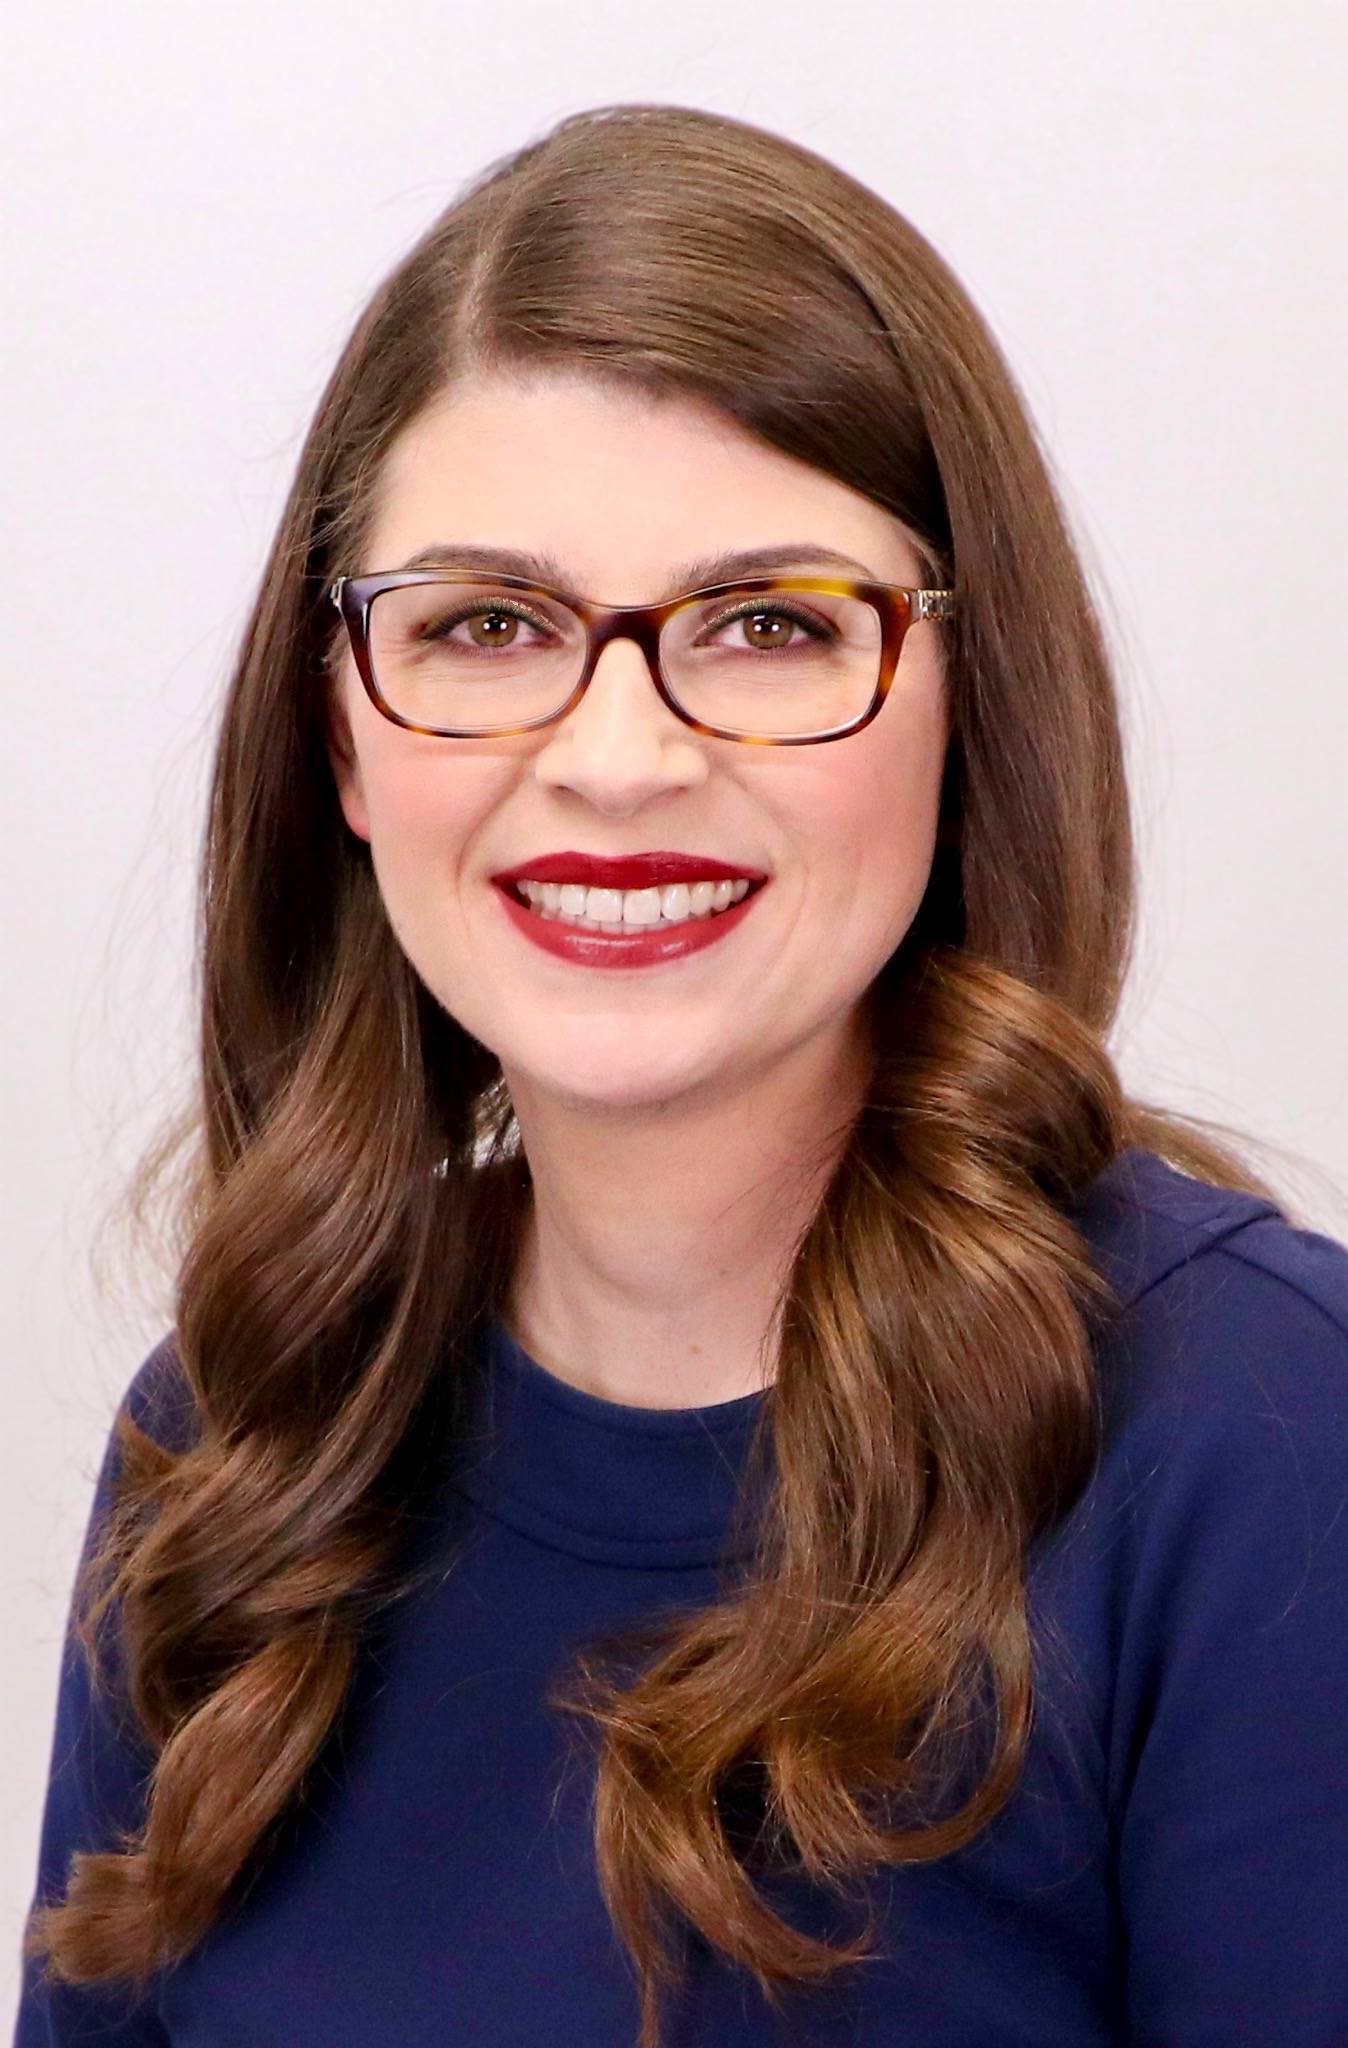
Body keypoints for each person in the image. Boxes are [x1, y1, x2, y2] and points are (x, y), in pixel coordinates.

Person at [14, 101, 1348, 2048]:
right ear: (347, 737)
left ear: (961, 709)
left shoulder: (1253, 1445)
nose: (618, 758)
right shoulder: (241, 1436)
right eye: (486, 623)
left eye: (764, 624)